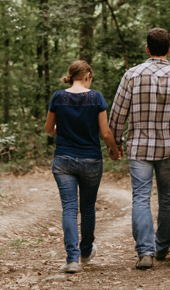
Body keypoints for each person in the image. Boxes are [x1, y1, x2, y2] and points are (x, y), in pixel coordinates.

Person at [108, 28, 170, 270]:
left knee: (140, 198)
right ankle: (162, 246)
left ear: (147, 49)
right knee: (167, 199)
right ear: (169, 49)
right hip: (169, 148)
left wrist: (115, 142)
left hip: (139, 148)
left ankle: (145, 252)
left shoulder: (132, 75)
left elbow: (118, 112)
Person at [44, 59, 122, 274]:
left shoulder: (58, 97)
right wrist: (114, 149)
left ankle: (72, 259)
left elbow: (48, 128)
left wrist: (62, 129)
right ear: (88, 76)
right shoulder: (95, 97)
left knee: (69, 207)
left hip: (63, 160)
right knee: (87, 208)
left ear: (71, 76)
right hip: (91, 160)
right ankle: (86, 252)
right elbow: (105, 132)